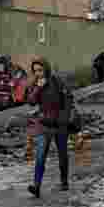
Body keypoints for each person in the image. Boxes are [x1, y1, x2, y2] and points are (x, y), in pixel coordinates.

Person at [25, 57, 74, 198]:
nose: (38, 73)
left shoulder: (57, 81)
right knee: (40, 155)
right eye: (35, 71)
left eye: (40, 70)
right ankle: (36, 186)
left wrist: (64, 118)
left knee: (62, 154)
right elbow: (31, 102)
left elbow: (69, 98)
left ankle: (64, 181)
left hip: (60, 125)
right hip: (44, 125)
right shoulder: (36, 84)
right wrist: (39, 88)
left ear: (46, 69)